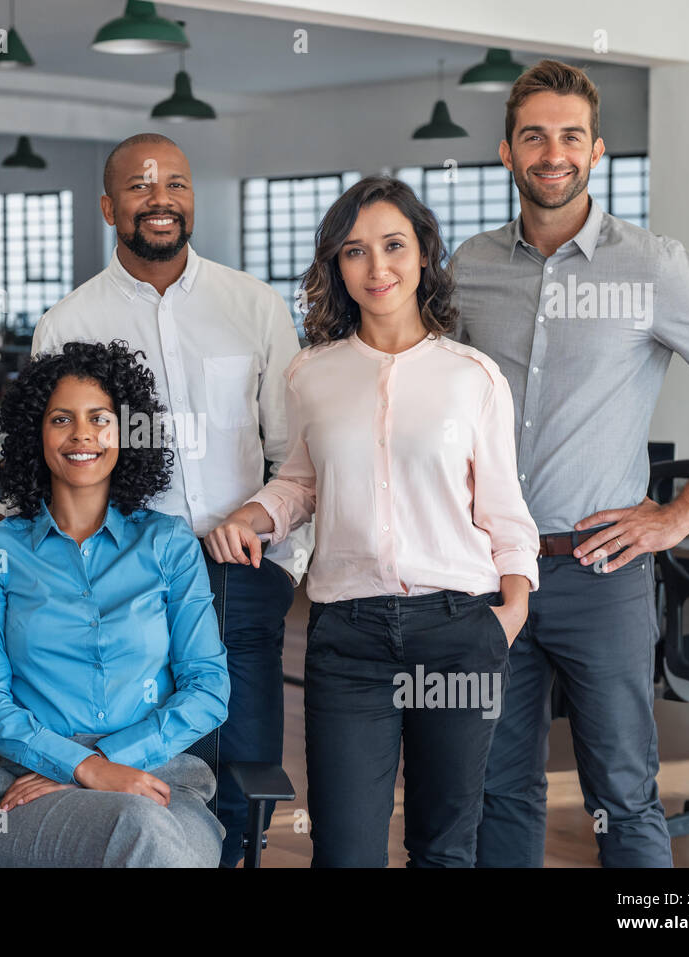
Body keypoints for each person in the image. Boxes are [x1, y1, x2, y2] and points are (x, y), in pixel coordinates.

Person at [450, 60, 689, 867]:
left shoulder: (652, 266)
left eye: (571, 135)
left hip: (601, 575)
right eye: (535, 135)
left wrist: (676, 516)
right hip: (487, 571)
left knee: (623, 791)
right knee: (498, 786)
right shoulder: (467, 268)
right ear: (507, 151)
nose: (553, 152)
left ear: (596, 150)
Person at [0, 132, 309, 866]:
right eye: (140, 186)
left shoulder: (254, 307)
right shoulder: (69, 321)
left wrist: (262, 527)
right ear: (110, 206)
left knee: (237, 767)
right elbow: (49, 443)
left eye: (175, 182)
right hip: (106, 552)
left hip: (237, 570)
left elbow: (297, 454)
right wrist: (7, 522)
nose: (160, 197)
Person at [208, 176, 540, 867]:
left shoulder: (471, 376)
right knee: (345, 851)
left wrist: (509, 610)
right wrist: (255, 513)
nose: (377, 266)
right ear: (338, 266)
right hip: (349, 640)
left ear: (424, 254)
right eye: (355, 251)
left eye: (394, 245)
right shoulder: (313, 374)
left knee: (444, 847)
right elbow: (301, 482)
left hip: (458, 627)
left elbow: (505, 506)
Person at [0, 339, 230, 867]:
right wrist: (77, 767)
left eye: (100, 418)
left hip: (162, 784)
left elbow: (209, 688)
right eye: (61, 419)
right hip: (28, 791)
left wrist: (108, 760)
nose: (82, 434)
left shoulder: (168, 544)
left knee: (150, 831)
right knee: (141, 832)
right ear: (36, 434)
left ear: (127, 432)